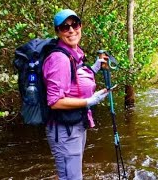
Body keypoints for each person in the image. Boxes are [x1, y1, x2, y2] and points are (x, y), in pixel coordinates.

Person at [42, 9, 109, 180]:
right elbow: (54, 101)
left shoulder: (74, 54)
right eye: (65, 27)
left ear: (80, 26)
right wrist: (89, 101)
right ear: (57, 32)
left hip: (75, 124)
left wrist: (94, 68)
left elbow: (74, 80)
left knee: (74, 175)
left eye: (75, 25)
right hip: (64, 129)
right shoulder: (59, 58)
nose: (71, 30)